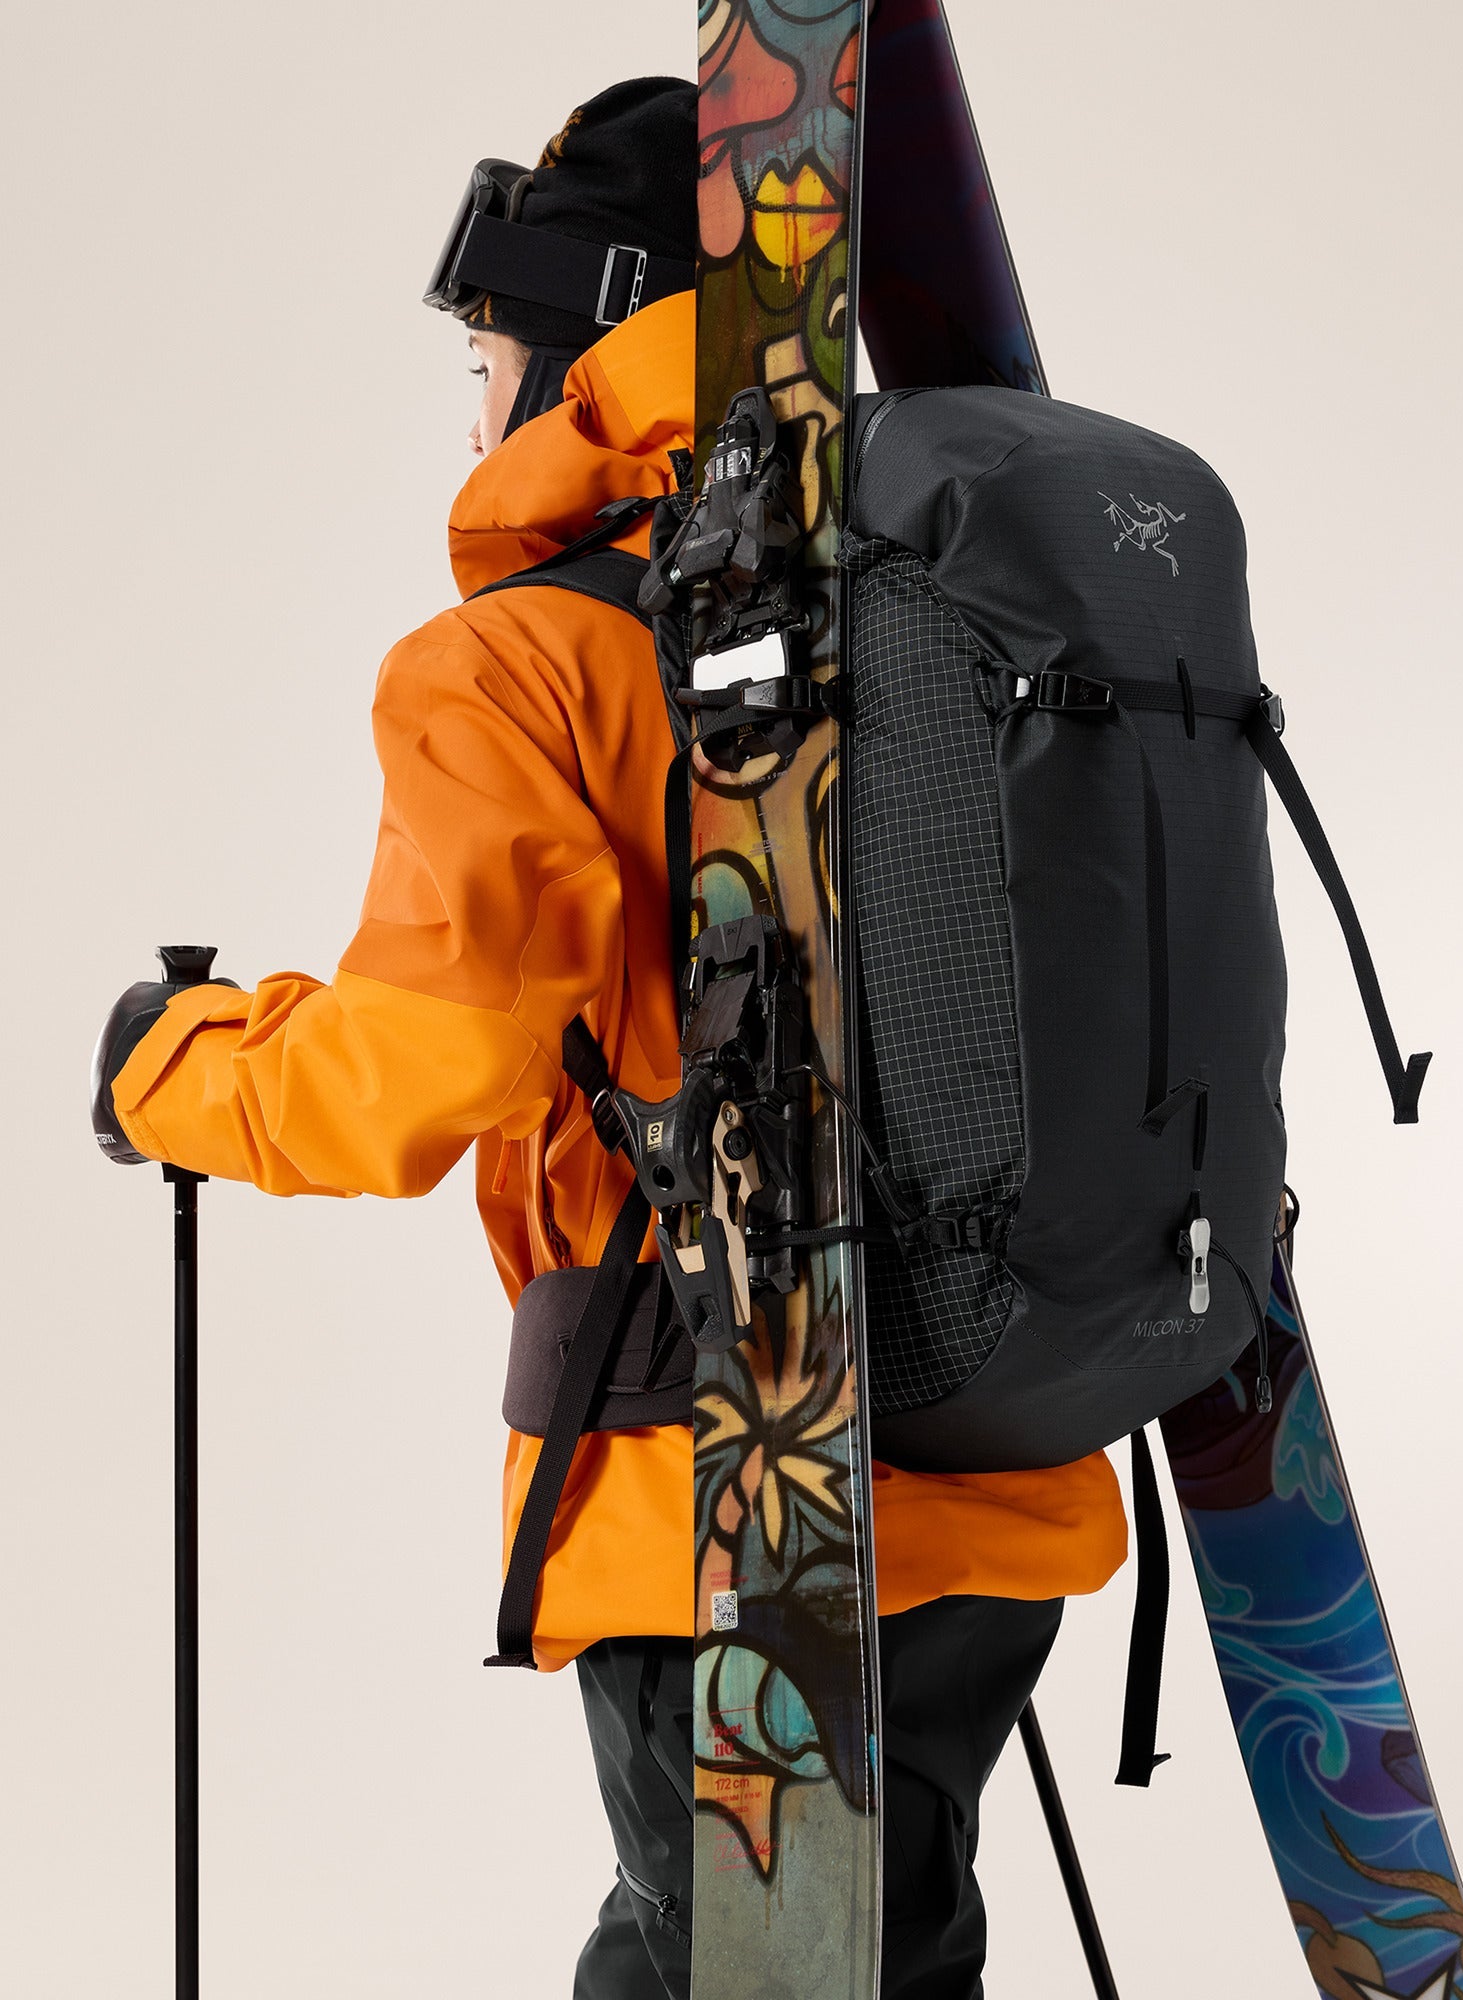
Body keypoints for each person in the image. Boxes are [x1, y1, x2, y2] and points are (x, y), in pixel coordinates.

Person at [91, 75, 1126, 2000]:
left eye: (486, 358)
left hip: (725, 1487)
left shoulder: (519, 659)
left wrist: (182, 1067)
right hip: (1008, 1446)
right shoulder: (944, 604)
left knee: (732, 1958)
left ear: (580, 343)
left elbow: (427, 1068)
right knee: (818, 1955)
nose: (474, 405)